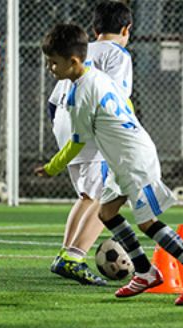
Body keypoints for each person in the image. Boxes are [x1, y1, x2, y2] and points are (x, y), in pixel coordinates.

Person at [39, 23, 183, 306]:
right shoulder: (98, 77)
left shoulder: (80, 94)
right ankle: (145, 272)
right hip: (122, 159)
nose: (50, 68)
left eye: (53, 63)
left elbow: (76, 143)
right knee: (107, 212)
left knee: (147, 222)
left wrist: (51, 167)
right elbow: (126, 104)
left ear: (73, 61)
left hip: (134, 159)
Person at [44, 1, 135, 285]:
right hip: (92, 127)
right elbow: (113, 97)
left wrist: (64, 132)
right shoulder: (118, 54)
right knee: (105, 197)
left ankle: (65, 254)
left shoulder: (82, 51)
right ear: (126, 29)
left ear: (95, 30)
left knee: (87, 195)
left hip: (65, 124)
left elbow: (52, 101)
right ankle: (75, 256)